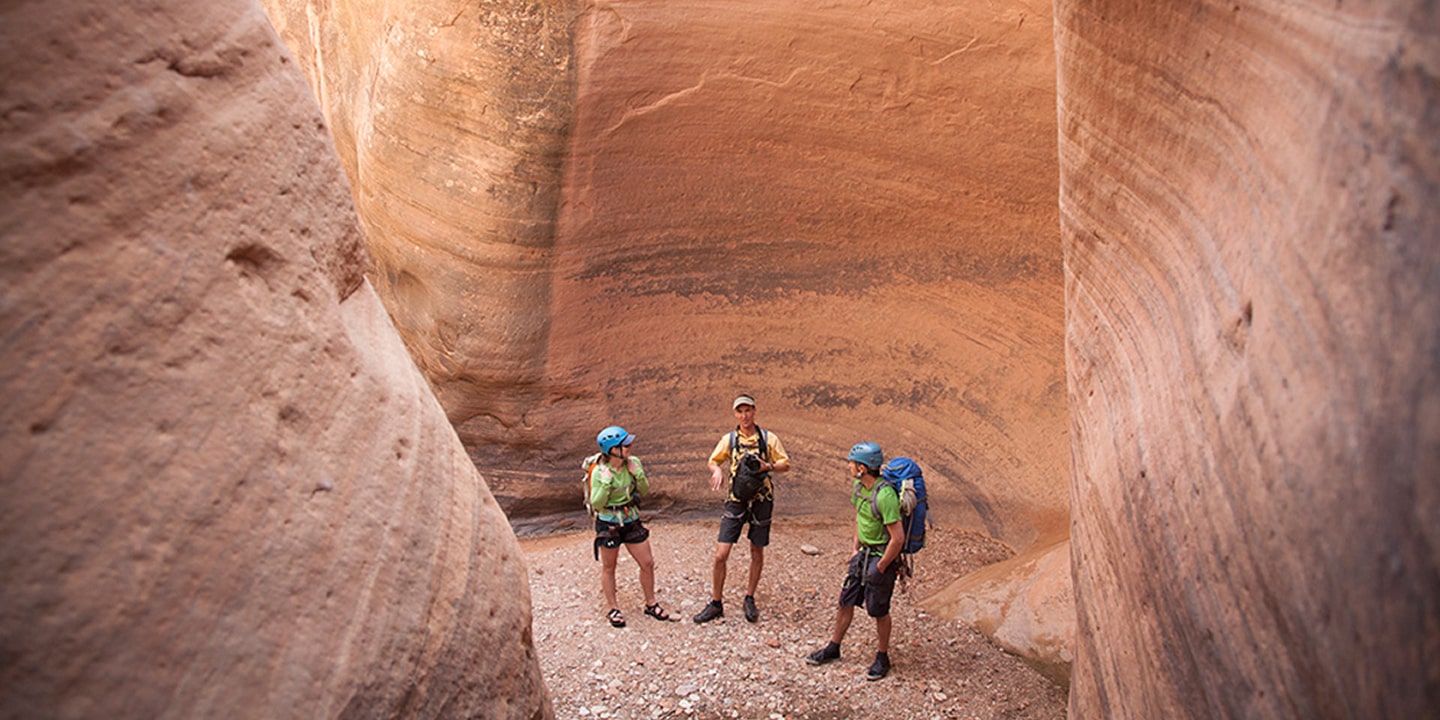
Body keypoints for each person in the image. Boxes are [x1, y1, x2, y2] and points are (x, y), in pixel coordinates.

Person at [804, 441, 904, 681]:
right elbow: (859, 519)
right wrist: (854, 549)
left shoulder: (885, 495)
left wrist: (881, 567)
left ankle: (882, 656)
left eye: (852, 463)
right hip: (862, 556)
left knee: (878, 610)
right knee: (845, 601)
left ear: (862, 467)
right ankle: (834, 647)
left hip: (880, 556)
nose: (849, 466)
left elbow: (897, 538)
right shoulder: (859, 488)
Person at [693, 394, 791, 624]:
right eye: (740, 411)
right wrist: (716, 470)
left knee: (756, 551)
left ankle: (749, 597)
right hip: (736, 498)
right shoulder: (729, 440)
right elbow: (713, 460)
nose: (744, 416)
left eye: (748, 410)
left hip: (762, 498)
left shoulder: (768, 439)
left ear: (754, 411)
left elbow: (785, 463)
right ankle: (716, 602)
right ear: (735, 414)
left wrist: (769, 466)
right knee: (721, 554)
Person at [589, 425, 676, 627]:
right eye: (625, 444)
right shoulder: (600, 472)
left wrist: (638, 475)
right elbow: (597, 503)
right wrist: (605, 483)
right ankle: (613, 608)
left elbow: (644, 491)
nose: (630, 446)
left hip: (630, 519)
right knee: (609, 567)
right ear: (613, 450)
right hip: (609, 523)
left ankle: (651, 603)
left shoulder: (633, 463)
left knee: (647, 563)